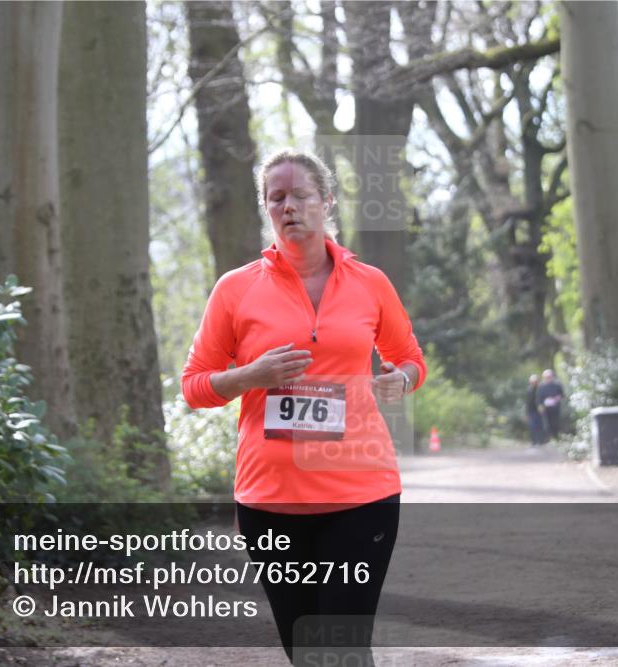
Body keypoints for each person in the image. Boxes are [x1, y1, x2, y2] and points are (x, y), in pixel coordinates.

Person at [181, 148, 426, 665]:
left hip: (360, 492)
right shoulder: (236, 289)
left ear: (327, 201)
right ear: (266, 209)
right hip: (270, 500)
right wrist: (252, 376)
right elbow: (194, 386)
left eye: (300, 195)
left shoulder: (370, 283)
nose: (287, 206)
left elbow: (409, 359)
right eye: (276, 198)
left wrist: (399, 381)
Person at [536, 368, 565, 442]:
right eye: (546, 377)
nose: (548, 378)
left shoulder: (557, 385)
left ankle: (556, 437)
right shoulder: (541, 386)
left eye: (549, 377)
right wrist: (540, 406)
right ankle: (548, 438)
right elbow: (539, 397)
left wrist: (557, 398)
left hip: (555, 407)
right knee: (546, 423)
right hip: (546, 408)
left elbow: (562, 395)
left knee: (555, 423)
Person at [526, 374, 545, 445]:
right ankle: (533, 441)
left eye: (535, 381)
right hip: (531, 411)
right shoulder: (529, 390)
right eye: (532, 382)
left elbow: (543, 399)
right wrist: (527, 413)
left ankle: (541, 441)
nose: (533, 383)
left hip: (540, 410)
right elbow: (528, 402)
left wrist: (542, 406)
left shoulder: (541, 389)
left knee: (540, 426)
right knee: (532, 426)